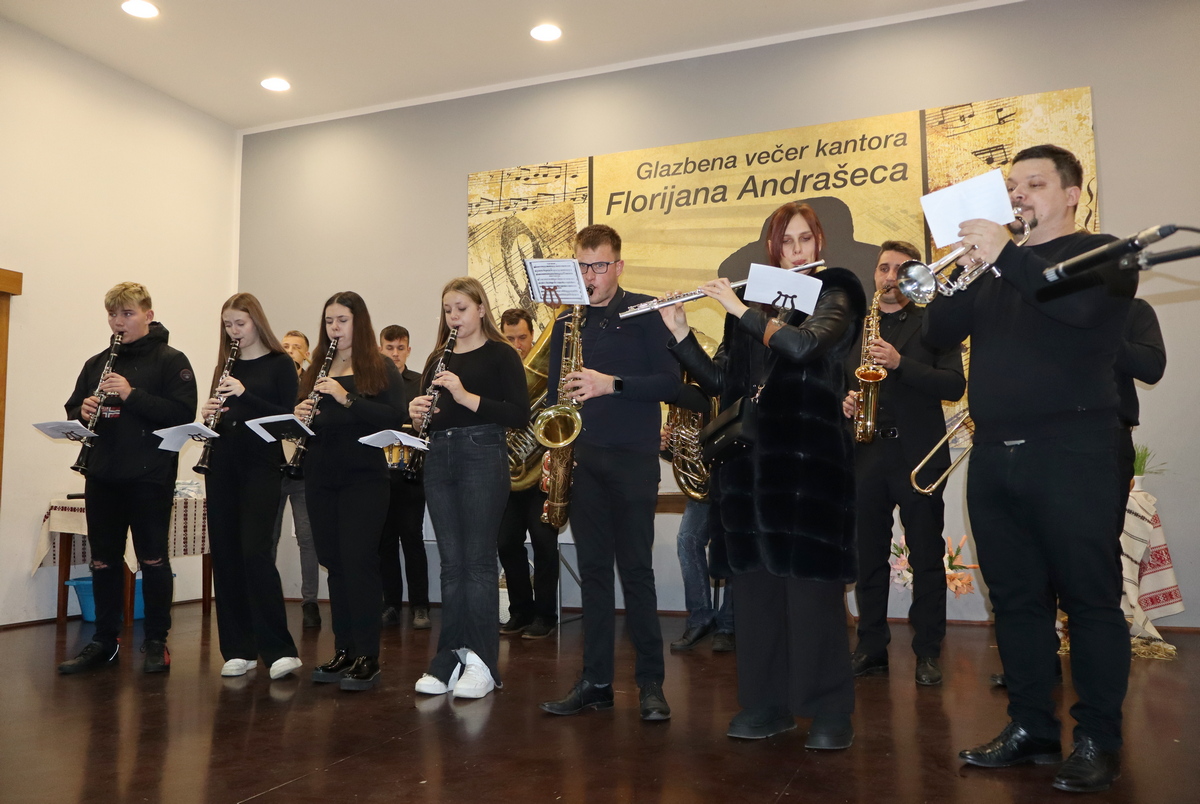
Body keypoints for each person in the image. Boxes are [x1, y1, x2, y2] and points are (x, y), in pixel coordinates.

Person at [924, 145, 1137, 793]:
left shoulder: (1105, 252)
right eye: (1012, 186)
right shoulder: (995, 268)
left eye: (1034, 184)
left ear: (1072, 194)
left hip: (1075, 450)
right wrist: (966, 267)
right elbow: (937, 332)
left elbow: (1079, 308)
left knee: (1089, 600)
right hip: (995, 453)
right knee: (1015, 600)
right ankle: (1031, 727)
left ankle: (1098, 739)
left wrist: (1006, 255)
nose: (1018, 195)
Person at [661, 201, 865, 748]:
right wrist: (681, 335)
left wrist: (738, 308)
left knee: (813, 594)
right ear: (773, 249)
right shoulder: (753, 305)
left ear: (819, 244)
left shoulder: (836, 291)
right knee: (755, 595)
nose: (796, 251)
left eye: (805, 240)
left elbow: (804, 346)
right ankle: (766, 704)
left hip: (808, 468)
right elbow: (724, 384)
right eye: (786, 242)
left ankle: (830, 711)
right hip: (750, 472)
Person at [538, 224, 681, 722]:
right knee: (594, 574)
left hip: (633, 459)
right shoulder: (566, 321)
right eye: (582, 266)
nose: (589, 276)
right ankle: (596, 682)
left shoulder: (643, 312)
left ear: (618, 266)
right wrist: (556, 456)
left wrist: (611, 384)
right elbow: (555, 394)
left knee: (636, 571)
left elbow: (670, 384)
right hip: (583, 459)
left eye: (599, 265)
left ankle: (651, 685)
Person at [841, 241, 966, 686]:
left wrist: (899, 362)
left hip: (919, 456)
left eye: (899, 269)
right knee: (867, 556)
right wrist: (846, 402)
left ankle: (928, 651)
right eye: (883, 269)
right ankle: (871, 646)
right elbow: (839, 381)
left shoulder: (934, 323)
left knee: (927, 556)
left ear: (914, 276)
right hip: (868, 453)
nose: (889, 277)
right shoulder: (857, 328)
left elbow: (953, 384)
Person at [59, 282, 197, 675]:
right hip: (102, 473)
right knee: (103, 560)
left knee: (152, 559)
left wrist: (132, 394)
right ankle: (105, 641)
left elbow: (182, 414)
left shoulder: (171, 360)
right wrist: (82, 411)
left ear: (148, 315)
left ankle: (156, 641)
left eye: (127, 314)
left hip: (150, 476)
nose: (118, 322)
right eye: (113, 315)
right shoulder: (97, 362)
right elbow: (73, 408)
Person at [411, 278, 529, 700]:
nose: (454, 317)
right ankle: (449, 657)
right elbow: (430, 420)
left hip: (482, 453)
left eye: (461, 308)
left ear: (481, 309)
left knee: (478, 563)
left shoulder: (501, 354)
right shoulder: (435, 359)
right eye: (448, 310)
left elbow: (519, 414)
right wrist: (417, 413)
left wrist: (465, 396)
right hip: (439, 456)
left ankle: (481, 661)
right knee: (451, 564)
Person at [299, 292, 406, 691]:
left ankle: (367, 655)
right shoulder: (315, 367)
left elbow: (393, 416)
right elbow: (311, 420)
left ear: (358, 323)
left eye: (342, 320)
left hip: (363, 477)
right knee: (333, 561)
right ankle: (344, 649)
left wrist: (346, 398)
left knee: (358, 561)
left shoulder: (378, 366)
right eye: (329, 321)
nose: (334, 328)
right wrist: (301, 413)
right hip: (321, 475)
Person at [201, 293, 302, 680]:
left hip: (261, 466)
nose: (233, 331)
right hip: (221, 464)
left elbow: (287, 419)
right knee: (226, 555)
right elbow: (225, 417)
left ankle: (279, 650)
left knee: (255, 552)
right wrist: (208, 415)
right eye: (227, 325)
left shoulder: (280, 364)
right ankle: (238, 649)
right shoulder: (223, 367)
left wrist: (245, 394)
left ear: (256, 322)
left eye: (239, 323)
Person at [496, 307, 560, 639]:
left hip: (541, 474)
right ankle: (520, 610)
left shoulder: (551, 373)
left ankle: (545, 615)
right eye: (509, 339)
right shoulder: (496, 371)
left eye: (522, 337)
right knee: (506, 543)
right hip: (510, 475)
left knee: (544, 545)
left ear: (533, 336)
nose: (517, 345)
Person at [378, 324, 431, 630]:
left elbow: (426, 424)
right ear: (380, 350)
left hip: (411, 475)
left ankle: (420, 606)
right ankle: (391, 604)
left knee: (412, 539)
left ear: (409, 350)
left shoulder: (420, 383)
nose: (395, 354)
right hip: (380, 475)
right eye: (389, 348)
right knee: (384, 542)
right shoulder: (373, 384)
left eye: (400, 348)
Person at [273, 330, 320, 629]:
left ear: (306, 354)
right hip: (273, 470)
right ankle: (267, 597)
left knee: (308, 538)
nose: (290, 351)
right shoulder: (273, 380)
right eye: (285, 346)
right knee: (269, 537)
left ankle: (310, 601)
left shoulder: (314, 382)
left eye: (296, 347)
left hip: (303, 471)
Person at [1115, 298, 1166, 488]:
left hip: (1110, 440)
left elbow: (1152, 368)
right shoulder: (1043, 309)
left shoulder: (1132, 309)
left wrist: (1103, 332)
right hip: (1044, 438)